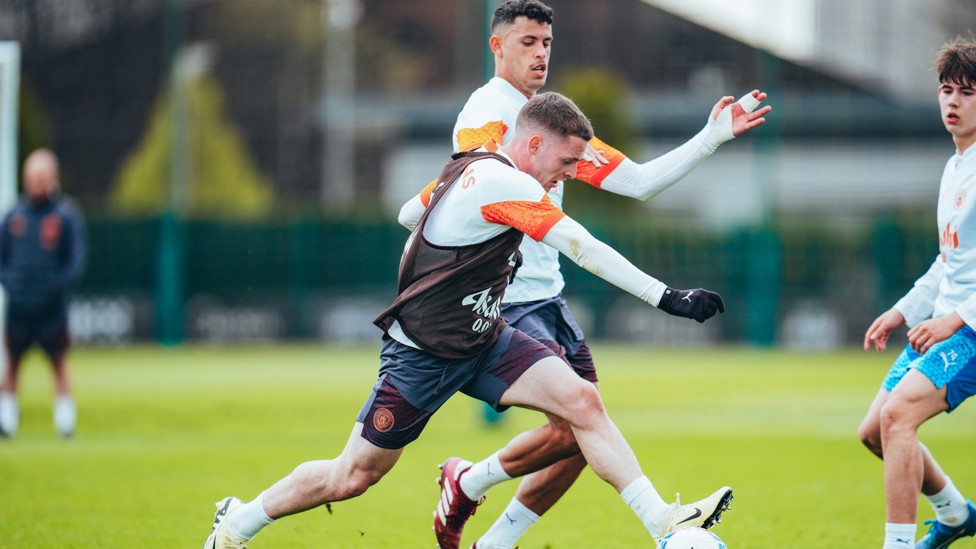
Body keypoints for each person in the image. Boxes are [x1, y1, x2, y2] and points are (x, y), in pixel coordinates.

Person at [203, 92, 731, 549]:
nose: (571, 174)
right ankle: (238, 523)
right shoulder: (509, 186)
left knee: (583, 402)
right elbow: (582, 247)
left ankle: (664, 523)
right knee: (353, 476)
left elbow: (411, 212)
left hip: (484, 337)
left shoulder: (473, 164)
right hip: (422, 353)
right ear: (533, 145)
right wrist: (667, 297)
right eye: (568, 162)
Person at [396, 2, 769, 547]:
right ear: (497, 46)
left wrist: (710, 138)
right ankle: (663, 524)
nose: (540, 53)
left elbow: (638, 182)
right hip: (509, 297)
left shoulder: (548, 122)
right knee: (582, 420)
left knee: (579, 439)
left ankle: (474, 498)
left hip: (550, 297)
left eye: (546, 42)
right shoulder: (486, 115)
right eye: (527, 42)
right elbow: (460, 189)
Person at [860, 37, 976, 549]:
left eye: (968, 92)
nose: (953, 102)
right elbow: (946, 260)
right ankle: (955, 515)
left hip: (967, 330)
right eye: (947, 90)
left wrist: (955, 320)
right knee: (872, 431)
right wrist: (901, 310)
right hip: (940, 325)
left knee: (897, 417)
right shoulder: (955, 166)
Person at [0, 148, 86, 438]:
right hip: (19, 307)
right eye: (32, 176)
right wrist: (12, 284)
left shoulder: (66, 215)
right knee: (11, 364)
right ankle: (7, 423)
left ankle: (65, 425)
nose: (36, 182)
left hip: (52, 308)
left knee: (59, 364)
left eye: (42, 176)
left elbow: (75, 260)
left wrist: (55, 286)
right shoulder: (14, 215)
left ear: (53, 178)